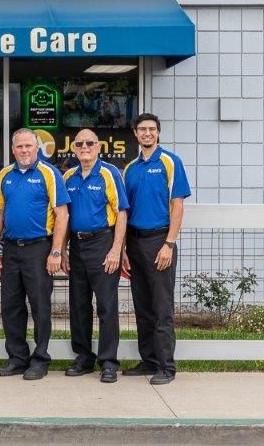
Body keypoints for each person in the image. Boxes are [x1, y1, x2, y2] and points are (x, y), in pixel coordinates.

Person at [0, 128, 70, 380]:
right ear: (13, 150)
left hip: (39, 248)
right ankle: (17, 358)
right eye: (19, 146)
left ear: (37, 148)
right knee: (10, 306)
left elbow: (62, 214)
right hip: (11, 249)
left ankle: (40, 359)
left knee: (40, 306)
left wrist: (56, 251)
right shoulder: (4, 175)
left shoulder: (49, 173)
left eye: (28, 146)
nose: (24, 150)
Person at [121, 113, 191, 385]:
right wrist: (123, 248)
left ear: (158, 132)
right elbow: (125, 212)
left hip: (159, 241)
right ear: (135, 133)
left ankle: (166, 366)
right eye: (142, 129)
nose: (147, 133)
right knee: (142, 306)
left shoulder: (170, 162)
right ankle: (148, 360)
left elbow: (178, 206)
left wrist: (169, 244)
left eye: (151, 129)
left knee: (162, 307)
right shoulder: (130, 168)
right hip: (135, 242)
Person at [61, 128, 129, 384]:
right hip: (77, 245)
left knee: (106, 305)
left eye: (90, 143)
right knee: (78, 305)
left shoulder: (109, 173)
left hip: (102, 243)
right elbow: (64, 216)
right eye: (80, 144)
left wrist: (116, 249)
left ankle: (108, 361)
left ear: (98, 147)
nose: (85, 147)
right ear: (74, 148)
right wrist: (63, 249)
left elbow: (121, 213)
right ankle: (83, 357)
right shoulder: (68, 176)